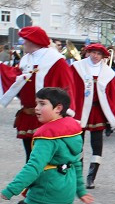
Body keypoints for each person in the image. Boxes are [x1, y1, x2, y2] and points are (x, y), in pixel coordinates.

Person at [0, 26, 79, 160]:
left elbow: (67, 86)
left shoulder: (56, 60)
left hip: (49, 117)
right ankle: (32, 180)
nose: (23, 42)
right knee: (30, 157)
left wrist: (65, 111)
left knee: (45, 158)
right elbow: (16, 79)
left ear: (33, 41)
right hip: (28, 115)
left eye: (25, 40)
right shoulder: (26, 59)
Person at [70, 43, 115, 189]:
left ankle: (91, 177)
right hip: (80, 112)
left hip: (97, 112)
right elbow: (70, 88)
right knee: (77, 145)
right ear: (88, 53)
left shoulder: (107, 72)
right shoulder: (77, 67)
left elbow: (113, 94)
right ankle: (77, 176)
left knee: (97, 144)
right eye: (93, 52)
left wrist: (114, 113)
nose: (95, 56)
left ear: (102, 56)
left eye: (98, 54)